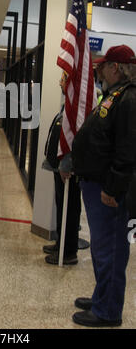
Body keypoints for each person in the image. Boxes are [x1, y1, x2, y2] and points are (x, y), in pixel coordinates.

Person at [71, 45, 136, 327]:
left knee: (110, 249)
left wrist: (112, 188)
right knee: (102, 247)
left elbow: (127, 150)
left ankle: (108, 310)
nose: (98, 71)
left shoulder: (130, 98)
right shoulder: (116, 94)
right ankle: (103, 296)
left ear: (116, 68)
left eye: (102, 66)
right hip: (98, 185)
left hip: (110, 190)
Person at [42, 71, 81, 265]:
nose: (60, 82)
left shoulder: (76, 109)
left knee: (69, 210)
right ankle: (60, 242)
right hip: (59, 166)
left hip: (68, 169)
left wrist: (67, 164)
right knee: (61, 207)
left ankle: (68, 252)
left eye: (64, 79)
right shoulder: (67, 105)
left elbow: (74, 139)